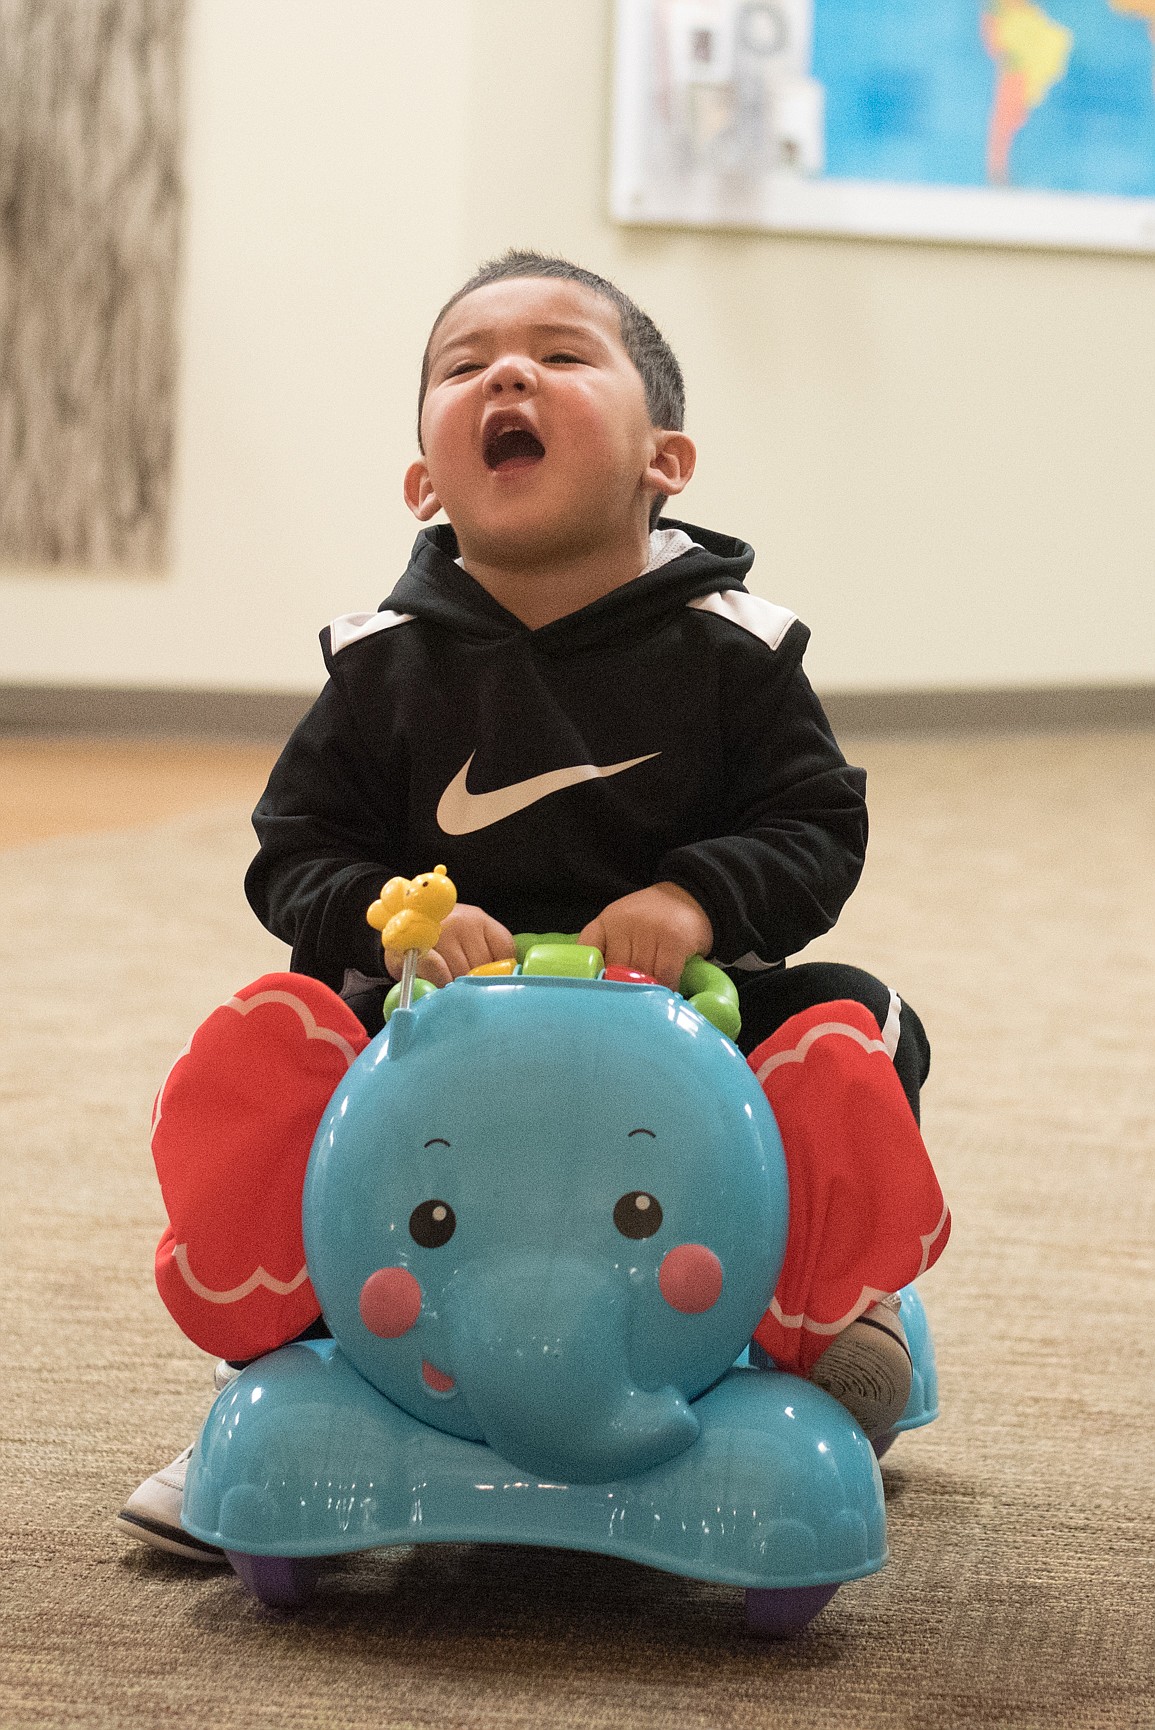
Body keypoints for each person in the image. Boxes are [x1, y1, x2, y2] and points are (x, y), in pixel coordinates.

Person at [117, 250, 933, 1563]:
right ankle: (283, 1348)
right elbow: (291, 853)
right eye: (467, 362)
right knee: (285, 1035)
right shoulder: (380, 665)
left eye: (562, 354)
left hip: (683, 1021)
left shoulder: (736, 648)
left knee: (861, 1021)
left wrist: (697, 896)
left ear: (665, 458)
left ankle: (829, 1301)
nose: (509, 370)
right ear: (422, 481)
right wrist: (389, 916)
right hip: (438, 1027)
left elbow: (816, 824)